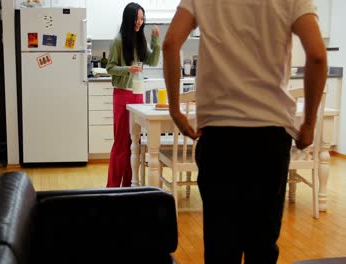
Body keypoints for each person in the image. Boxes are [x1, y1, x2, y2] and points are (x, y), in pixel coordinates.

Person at [163, 0, 327, 263]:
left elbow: (170, 43)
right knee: (262, 243)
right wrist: (308, 123)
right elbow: (317, 55)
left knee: (220, 244)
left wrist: (175, 110)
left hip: (218, 136)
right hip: (270, 136)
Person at [106, 2, 161, 187]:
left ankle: (128, 187)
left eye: (142, 18)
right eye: (137, 18)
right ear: (129, 19)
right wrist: (128, 69)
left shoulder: (140, 40)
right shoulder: (119, 41)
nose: (140, 22)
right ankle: (112, 188)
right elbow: (110, 67)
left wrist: (155, 41)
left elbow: (152, 61)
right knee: (121, 144)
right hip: (122, 96)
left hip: (138, 96)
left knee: (133, 145)